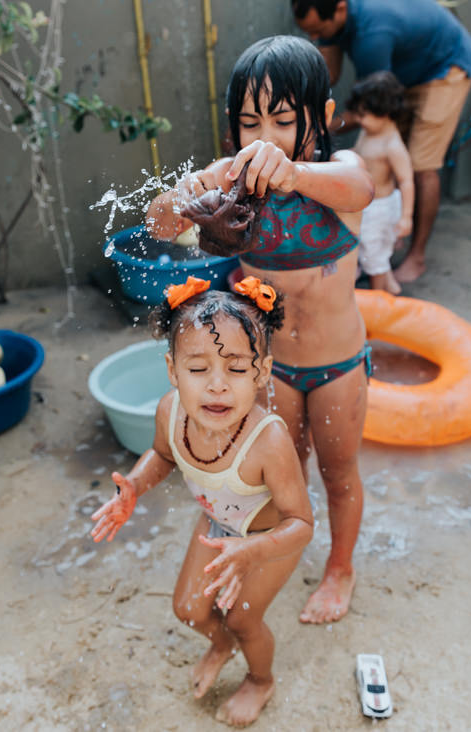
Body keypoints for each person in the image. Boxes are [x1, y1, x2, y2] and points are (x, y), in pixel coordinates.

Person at [146, 35, 375, 626]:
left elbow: (362, 187)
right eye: (250, 123)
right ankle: (267, 553)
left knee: (339, 470)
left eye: (282, 120)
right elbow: (161, 223)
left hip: (337, 365)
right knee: (283, 475)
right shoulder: (234, 186)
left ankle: (340, 568)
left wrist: (294, 172)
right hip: (273, 369)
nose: (265, 138)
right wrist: (193, 190)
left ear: (322, 118)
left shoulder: (336, 174)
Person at [90, 277, 313, 727]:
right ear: (173, 371)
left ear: (263, 372)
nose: (217, 386)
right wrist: (134, 486)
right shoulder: (169, 410)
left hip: (268, 539)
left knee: (245, 620)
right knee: (188, 610)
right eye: (198, 369)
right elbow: (162, 454)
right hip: (218, 528)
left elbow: (302, 523)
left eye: (235, 368)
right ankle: (222, 643)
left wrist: (253, 552)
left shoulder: (268, 441)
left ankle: (260, 678)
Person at [291, 0, 471, 283]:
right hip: (404, 70)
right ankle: (388, 239)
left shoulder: (372, 36)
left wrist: (321, 126)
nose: (315, 39)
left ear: (340, 8)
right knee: (381, 155)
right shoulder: (332, 17)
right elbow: (329, 74)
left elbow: (368, 110)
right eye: (310, 34)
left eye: (319, 31)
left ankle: (416, 255)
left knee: (421, 165)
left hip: (444, 66)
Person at [347, 71, 414, 295]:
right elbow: (359, 153)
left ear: (384, 113)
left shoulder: (392, 145)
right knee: (371, 247)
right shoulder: (368, 133)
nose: (359, 120)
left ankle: (379, 297)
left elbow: (406, 181)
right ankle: (390, 285)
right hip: (367, 205)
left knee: (374, 253)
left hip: (381, 209)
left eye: (364, 115)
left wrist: (406, 217)